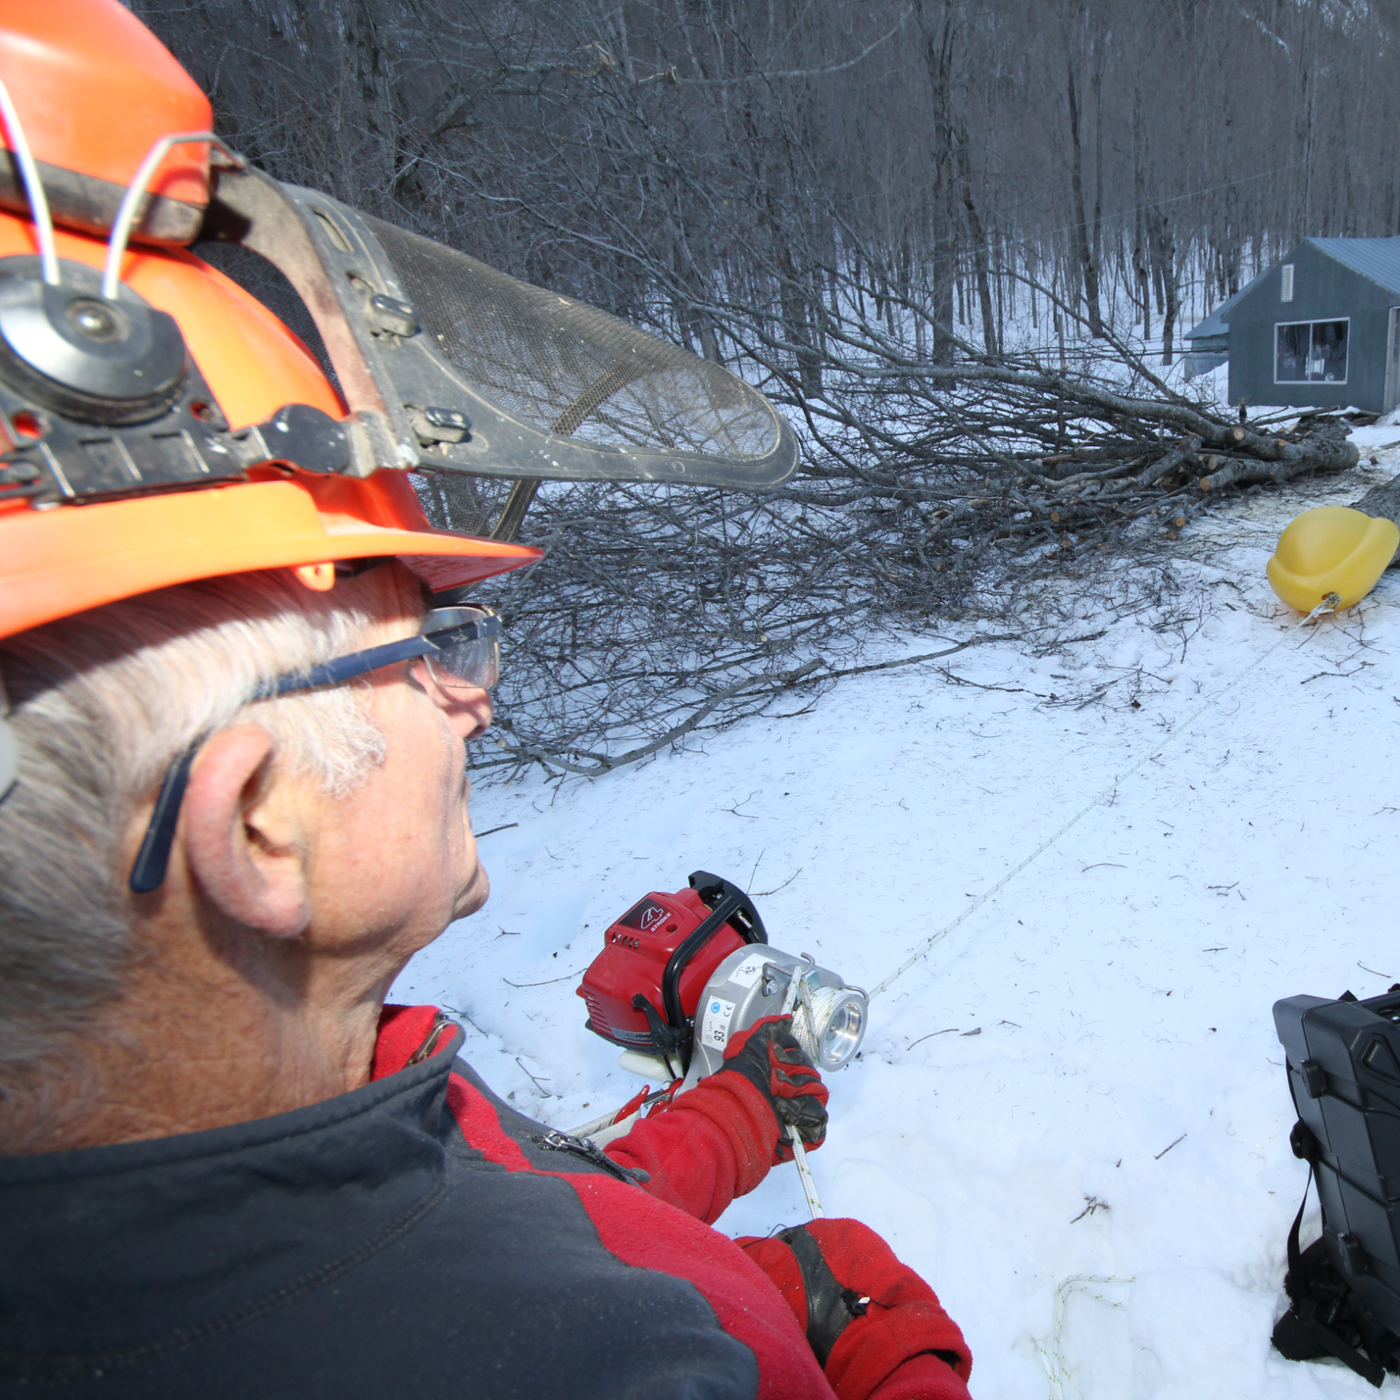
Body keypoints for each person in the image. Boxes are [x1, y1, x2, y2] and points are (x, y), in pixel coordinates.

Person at [0, 3, 973, 1397]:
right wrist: (885, 1366)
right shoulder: (615, 1372)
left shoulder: (269, 1123)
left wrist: (736, 1122)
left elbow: (521, 1192)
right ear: (260, 823)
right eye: (422, 643)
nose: (475, 704)